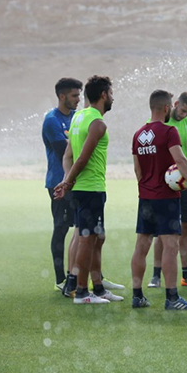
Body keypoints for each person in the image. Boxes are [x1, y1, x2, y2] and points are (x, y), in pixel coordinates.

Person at [130, 90, 187, 310]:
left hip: (146, 197)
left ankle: (137, 295)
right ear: (165, 107)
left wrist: (146, 187)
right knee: (171, 245)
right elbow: (180, 159)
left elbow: (137, 170)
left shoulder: (138, 134)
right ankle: (172, 298)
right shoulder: (169, 131)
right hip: (166, 197)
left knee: (142, 245)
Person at [54, 75, 123, 304]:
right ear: (103, 95)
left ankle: (99, 288)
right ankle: (82, 292)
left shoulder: (78, 117)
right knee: (87, 238)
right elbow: (81, 158)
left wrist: (67, 179)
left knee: (95, 237)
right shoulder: (97, 123)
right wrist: (68, 182)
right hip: (90, 188)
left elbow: (68, 156)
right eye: (111, 93)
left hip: (85, 188)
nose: (112, 98)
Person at [147, 92, 187, 287]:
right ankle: (156, 275)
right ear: (174, 104)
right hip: (165, 185)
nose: (183, 115)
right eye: (182, 110)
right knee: (163, 231)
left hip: (184, 183)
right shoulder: (160, 122)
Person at [42, 78, 81, 291]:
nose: (78, 100)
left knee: (85, 229)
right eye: (75, 96)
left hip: (76, 181)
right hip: (59, 183)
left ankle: (96, 276)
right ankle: (60, 280)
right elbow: (63, 152)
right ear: (62, 96)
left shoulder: (76, 117)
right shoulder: (51, 121)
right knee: (62, 228)